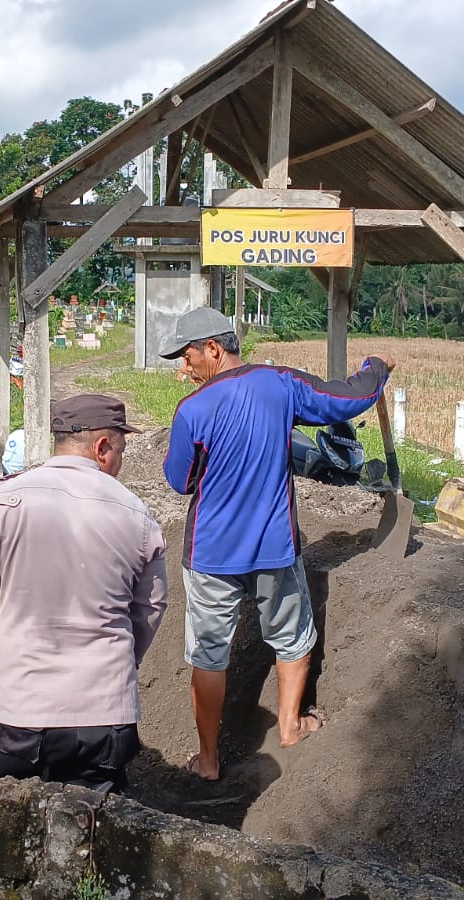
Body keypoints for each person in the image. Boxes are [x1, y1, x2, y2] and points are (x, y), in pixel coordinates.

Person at [160, 306, 391, 781]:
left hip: (210, 553)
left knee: (208, 653)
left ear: (213, 349)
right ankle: (289, 726)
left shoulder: (192, 412)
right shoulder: (279, 383)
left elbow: (180, 482)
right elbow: (345, 400)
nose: (183, 369)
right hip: (273, 548)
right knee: (291, 636)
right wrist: (375, 368)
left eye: (186, 358)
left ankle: (207, 760)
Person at [0, 395, 166, 794]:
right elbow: (150, 607)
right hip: (104, 716)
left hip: (20, 711)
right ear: (102, 448)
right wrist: (120, 662)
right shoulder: (139, 516)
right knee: (94, 832)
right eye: (120, 449)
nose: (119, 461)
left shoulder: (1, 500)